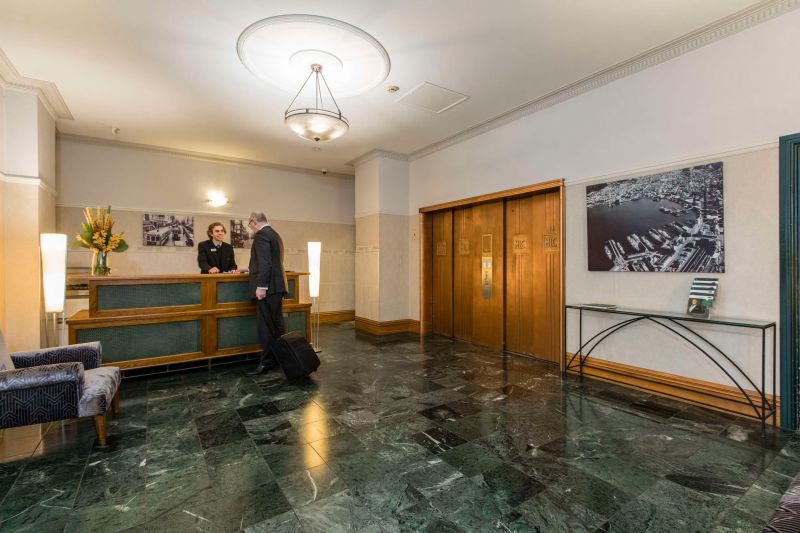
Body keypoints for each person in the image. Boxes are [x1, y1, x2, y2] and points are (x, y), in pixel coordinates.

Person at [245, 212, 287, 375]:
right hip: (277, 287)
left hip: (268, 288)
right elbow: (270, 261)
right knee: (276, 325)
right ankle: (281, 358)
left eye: (250, 225)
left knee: (265, 326)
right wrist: (248, 269)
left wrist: (261, 287)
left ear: (253, 221)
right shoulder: (274, 234)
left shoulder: (261, 235)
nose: (251, 228)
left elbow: (265, 262)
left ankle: (267, 362)